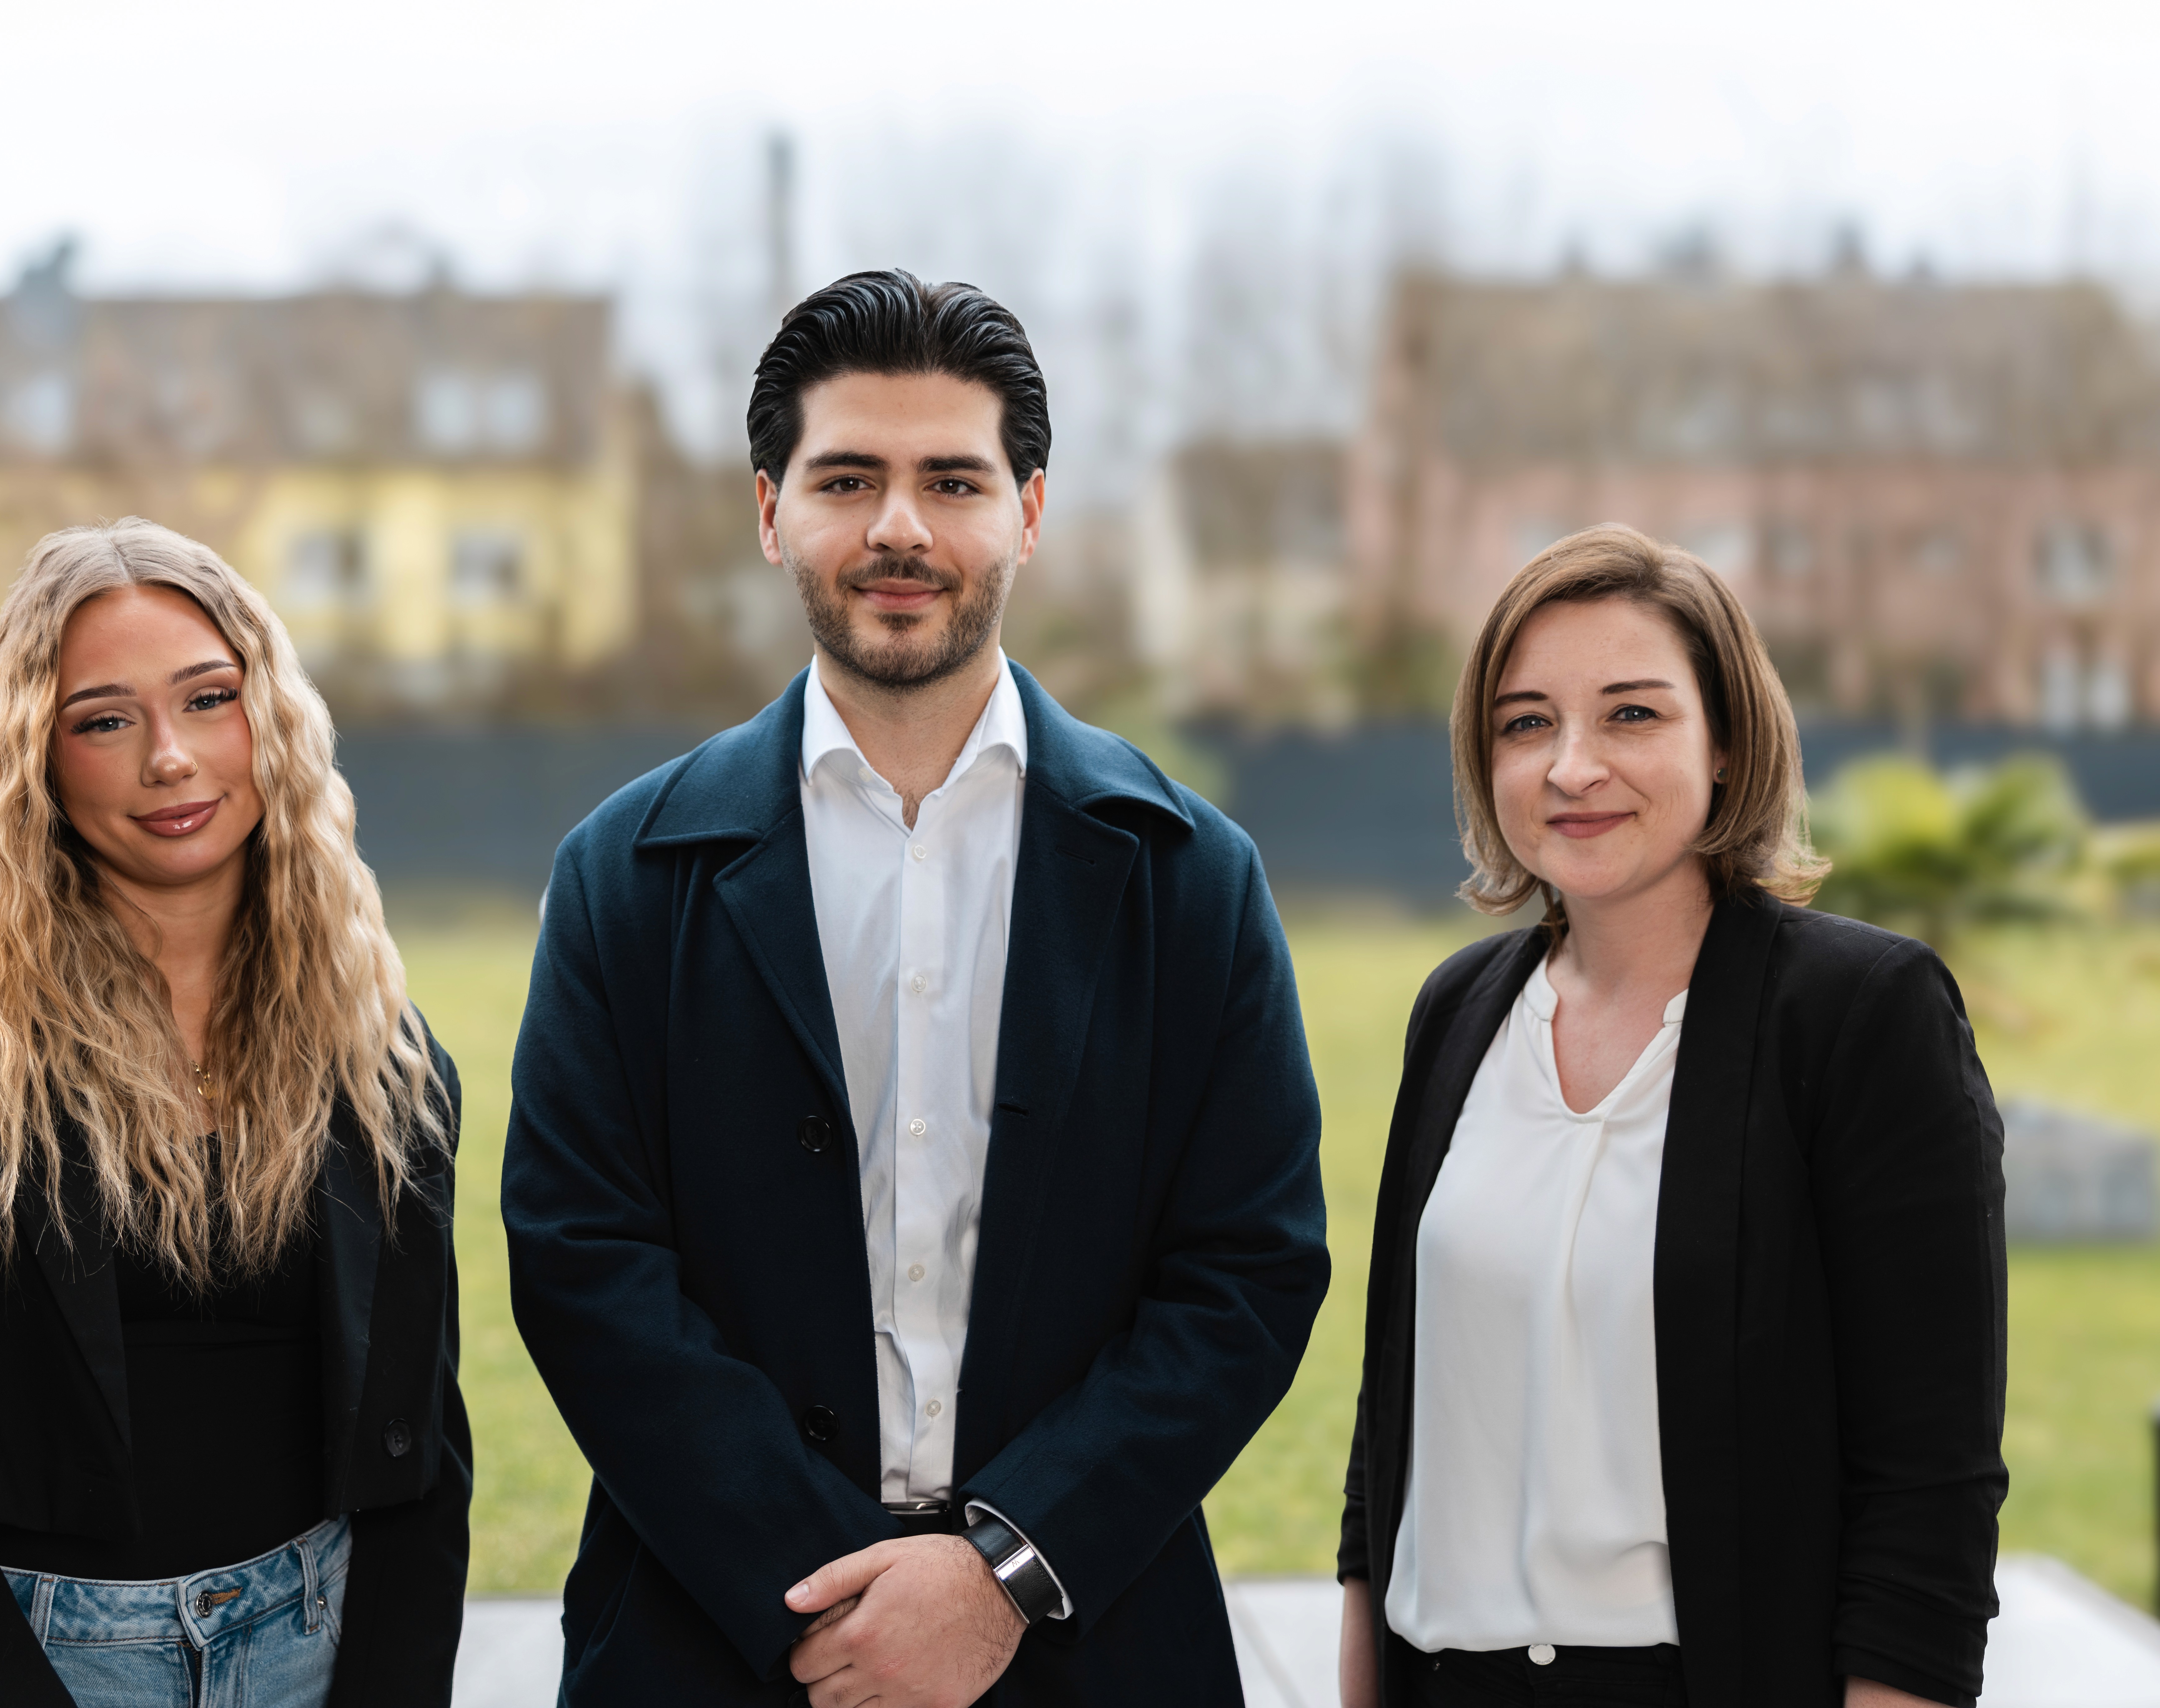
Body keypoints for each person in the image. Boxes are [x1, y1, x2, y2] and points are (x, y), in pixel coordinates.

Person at [502, 269, 1329, 1706]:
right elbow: (583, 1263)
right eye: (846, 478)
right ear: (770, 513)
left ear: (1029, 511)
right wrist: (834, 1600)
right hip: (713, 1641)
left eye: (952, 478)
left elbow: (1246, 1274)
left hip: (1093, 1640)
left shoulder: (1189, 876)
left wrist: (999, 1573)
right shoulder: (624, 873)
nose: (898, 526)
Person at [0, 520, 470, 1708]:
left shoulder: (386, 1061)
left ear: (274, 722)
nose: (171, 758)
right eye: (105, 719)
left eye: (209, 699)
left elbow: (421, 1463)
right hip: (10, 1663)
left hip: (308, 1649)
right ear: (33, 758)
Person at [1336, 525, 2006, 1708]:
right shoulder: (1459, 1014)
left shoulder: (1858, 1017)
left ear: (1729, 741)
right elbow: (1390, 1428)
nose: (1572, 768)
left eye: (1632, 715)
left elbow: (1929, 1485)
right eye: (1526, 721)